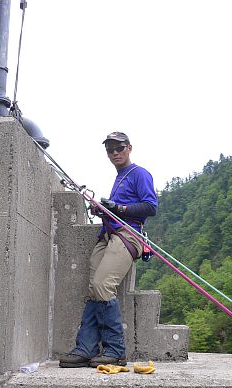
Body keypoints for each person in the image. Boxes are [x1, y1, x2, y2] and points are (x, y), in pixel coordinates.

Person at [59, 131, 158, 368]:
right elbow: (118, 210)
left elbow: (150, 207)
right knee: (95, 288)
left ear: (129, 148)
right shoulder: (120, 177)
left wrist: (119, 208)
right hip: (108, 235)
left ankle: (115, 349)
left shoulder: (139, 174)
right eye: (110, 149)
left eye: (119, 148)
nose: (114, 153)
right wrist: (103, 210)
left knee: (103, 286)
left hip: (127, 235)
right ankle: (86, 347)